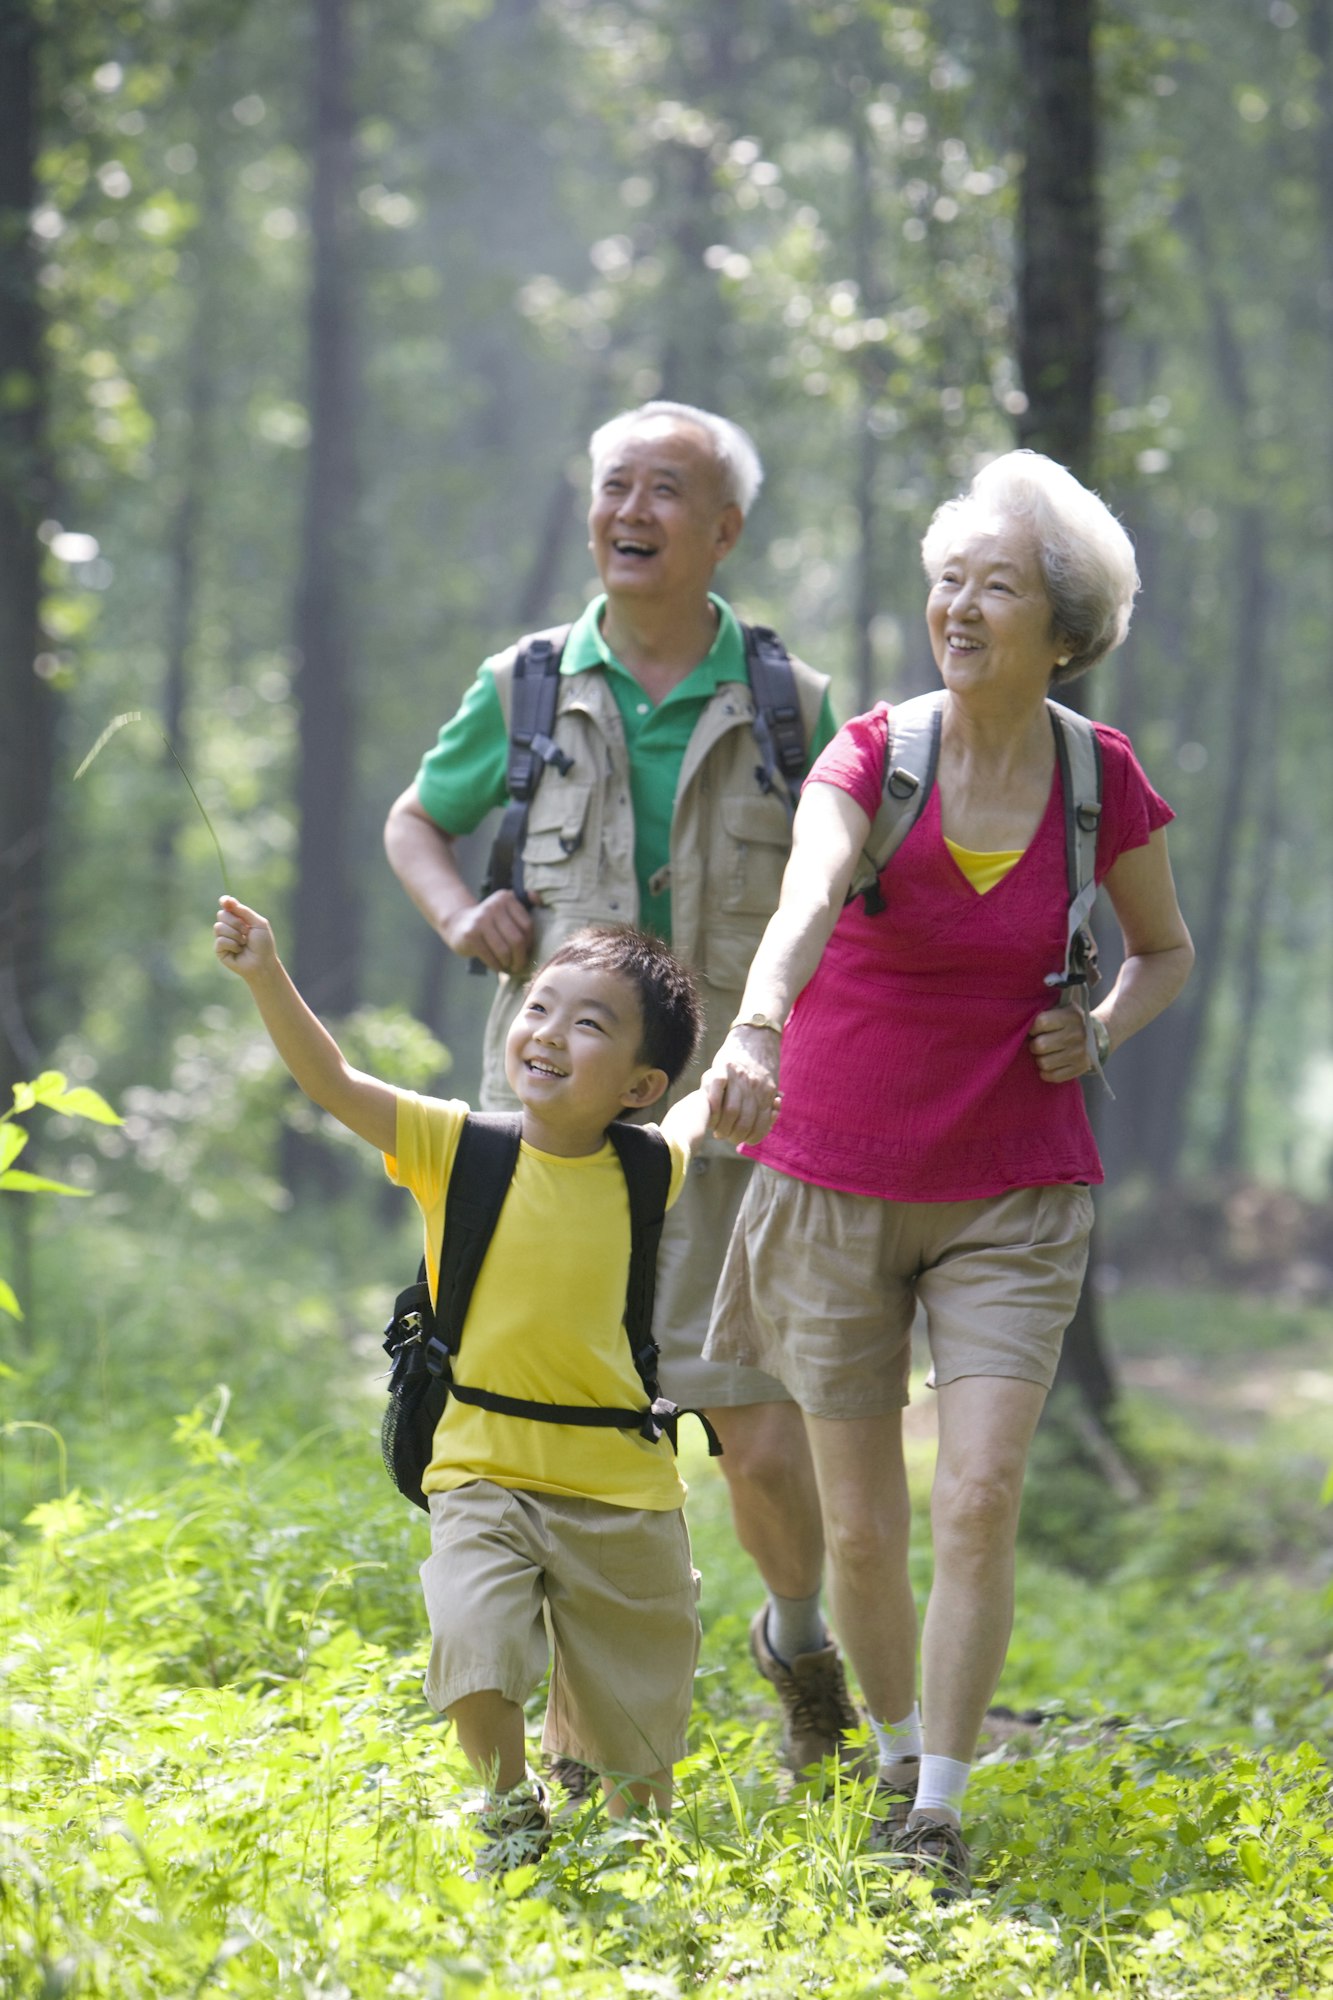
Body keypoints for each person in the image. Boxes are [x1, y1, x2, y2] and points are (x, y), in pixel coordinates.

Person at [703, 449, 1195, 1897]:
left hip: (1014, 1190)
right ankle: (892, 1730)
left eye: (995, 586)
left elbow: (1165, 952)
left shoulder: (1100, 781)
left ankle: (935, 1804)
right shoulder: (873, 754)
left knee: (976, 1496)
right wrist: (754, 1023)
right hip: (833, 1177)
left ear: (1067, 626)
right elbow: (804, 895)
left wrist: (1095, 1027)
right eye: (946, 583)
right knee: (862, 1522)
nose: (959, 608)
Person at [383, 400, 862, 1778]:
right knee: (556, 1434)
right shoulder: (528, 682)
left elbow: (854, 900)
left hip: (731, 1123)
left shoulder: (794, 704)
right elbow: (419, 819)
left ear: (725, 530)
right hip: (554, 1137)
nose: (631, 512)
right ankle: (575, 1747)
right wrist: (456, 916)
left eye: (667, 491)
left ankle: (795, 1634)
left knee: (760, 1435)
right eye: (613, 487)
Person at [214, 897, 718, 1873]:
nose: (549, 1033)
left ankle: (617, 1841)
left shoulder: (645, 1167)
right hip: (481, 1470)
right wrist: (265, 970)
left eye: (589, 1022)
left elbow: (693, 1120)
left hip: (623, 1489)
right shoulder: (458, 1146)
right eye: (540, 1006)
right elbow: (332, 1079)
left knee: (640, 1761)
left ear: (639, 1082)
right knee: (473, 1643)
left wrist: (733, 1078)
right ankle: (507, 1807)